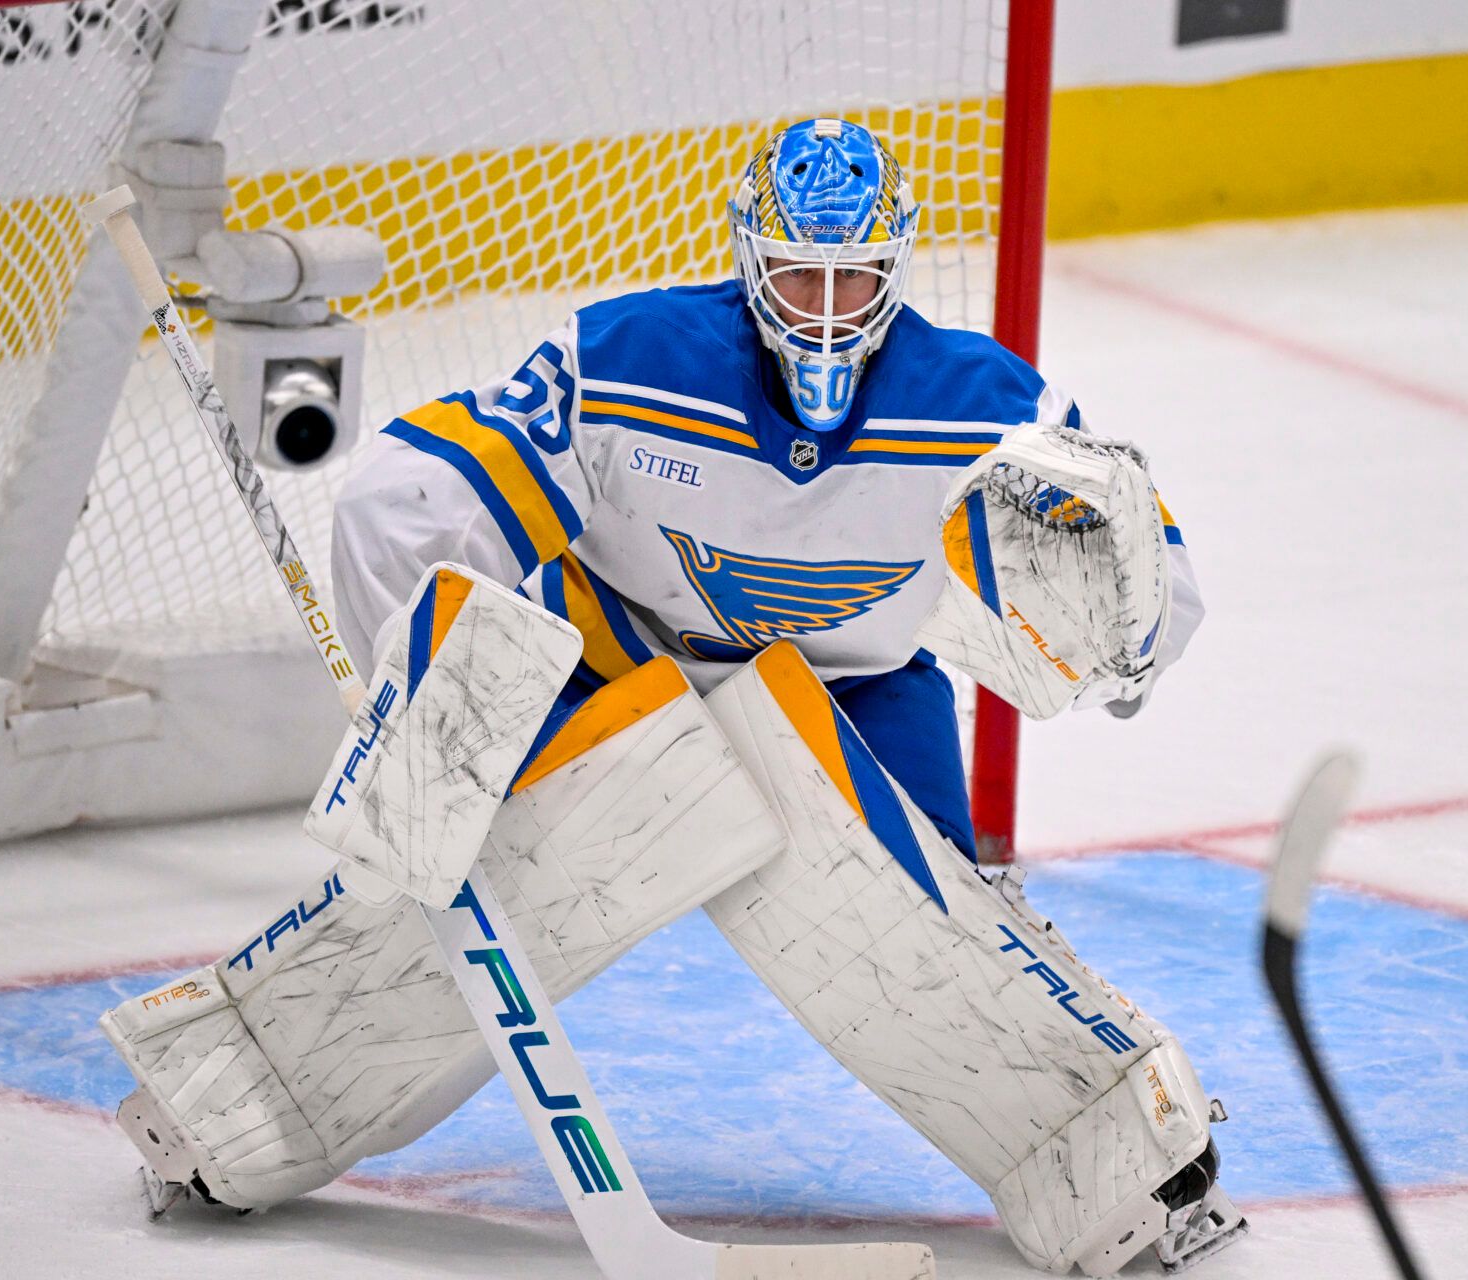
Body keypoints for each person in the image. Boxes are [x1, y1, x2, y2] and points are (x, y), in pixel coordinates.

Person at [101, 118, 1240, 1276]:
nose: (829, 304)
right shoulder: (628, 358)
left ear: (897, 270)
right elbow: (416, 498)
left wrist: (1126, 621)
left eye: (856, 277)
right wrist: (429, 702)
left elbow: (1150, 574)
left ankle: (1120, 1169)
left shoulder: (990, 408)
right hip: (619, 659)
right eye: (802, 271)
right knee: (498, 882)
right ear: (751, 260)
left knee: (922, 936)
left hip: (860, 692)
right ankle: (227, 1106)